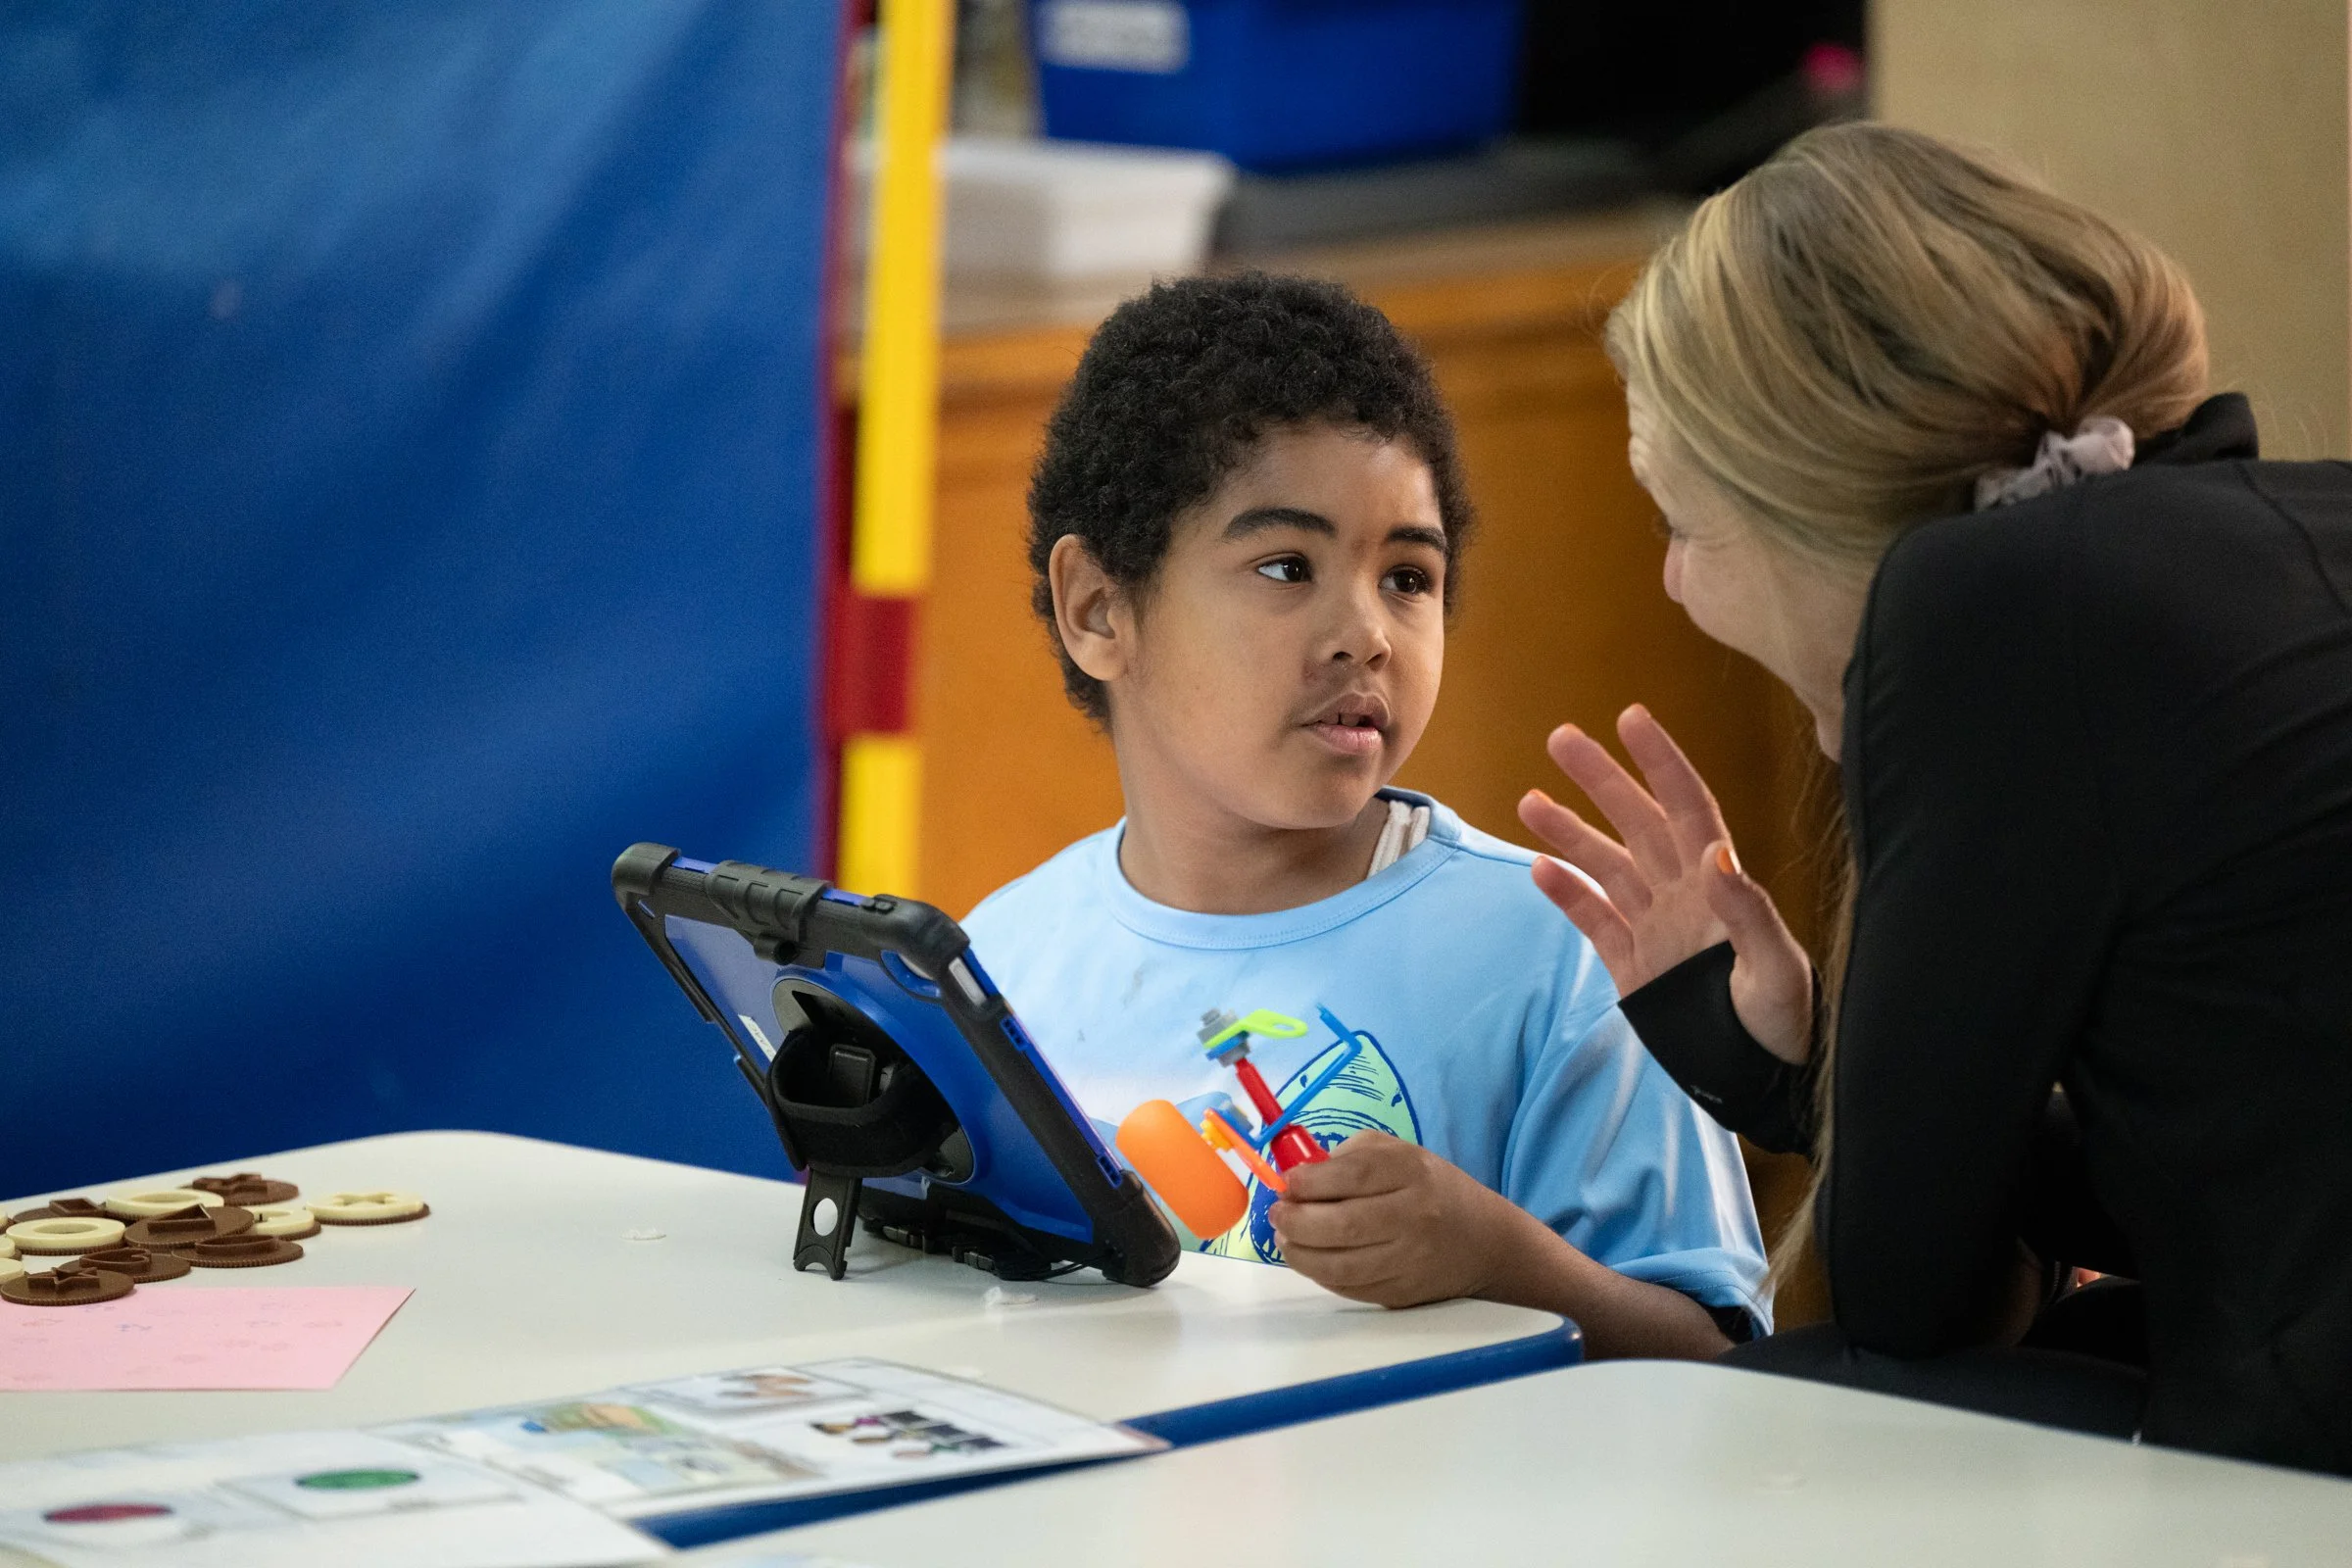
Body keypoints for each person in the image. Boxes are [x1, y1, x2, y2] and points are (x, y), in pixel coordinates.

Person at [1517, 122, 2352, 1473]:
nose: (1674, 585)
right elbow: (2228, 1177)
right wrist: (1799, 1080)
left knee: (1762, 1423)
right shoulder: (2295, 524)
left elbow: (1905, 1292)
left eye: (1680, 524)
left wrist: (1786, 1082)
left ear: (1808, 512)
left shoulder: (1993, 606)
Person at [960, 272, 1768, 1357]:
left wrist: (1500, 1260)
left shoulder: (1563, 952)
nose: (1367, 633)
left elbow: (1724, 1367)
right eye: (1287, 566)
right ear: (1099, 609)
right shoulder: (995, 965)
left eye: (1409, 577)